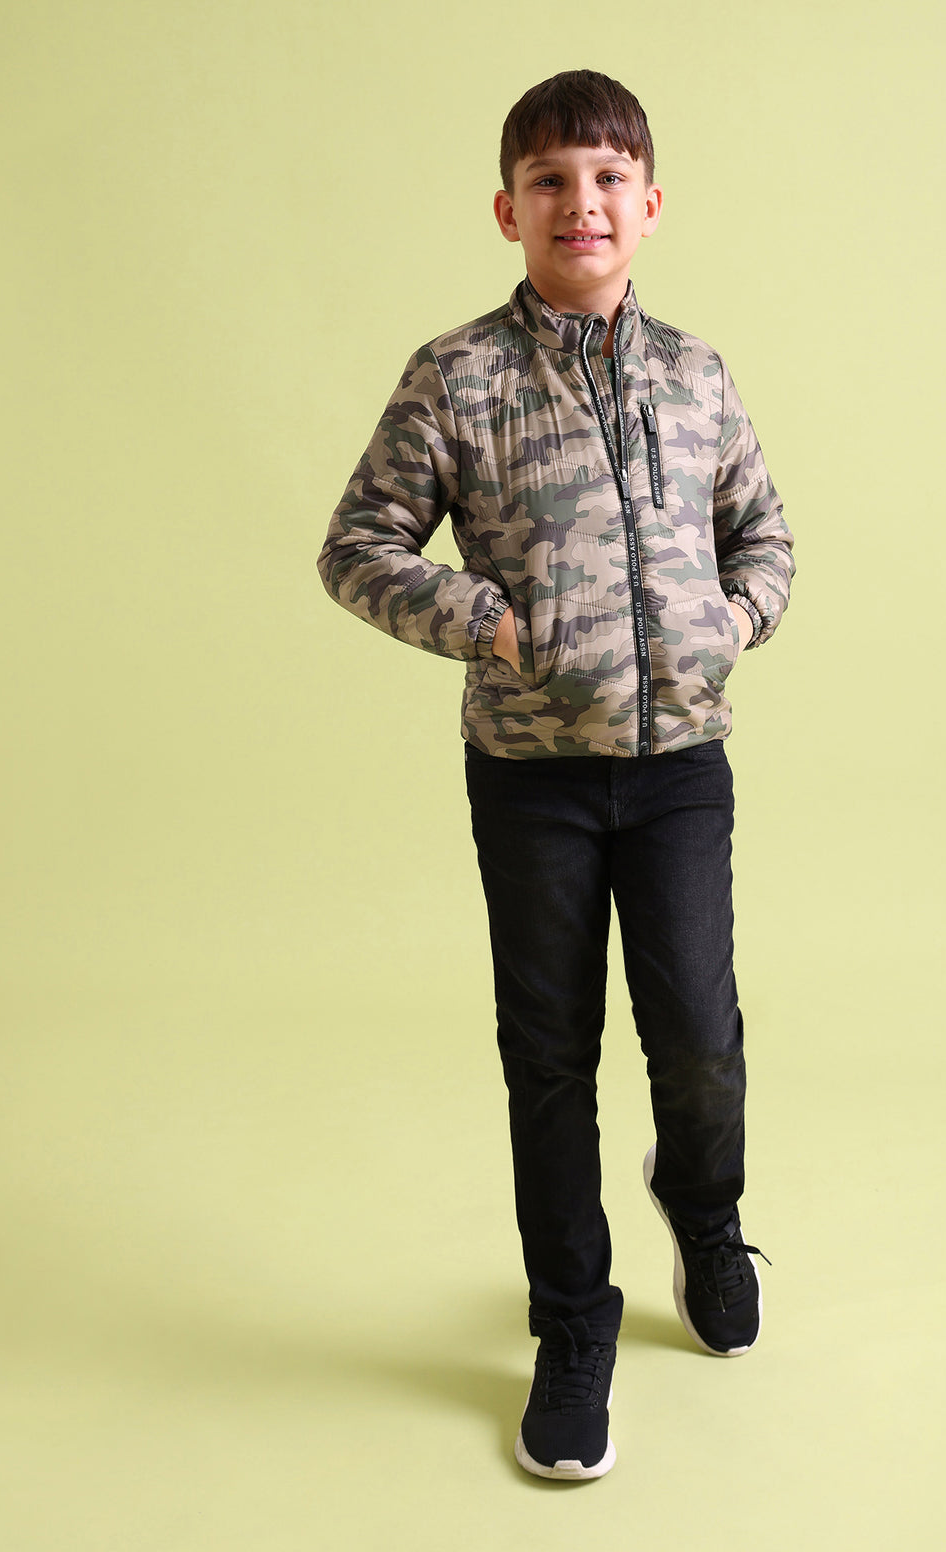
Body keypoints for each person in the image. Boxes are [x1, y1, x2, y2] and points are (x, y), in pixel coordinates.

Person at [316, 68, 795, 1481]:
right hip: (531, 778)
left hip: (681, 766)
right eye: (550, 182)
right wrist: (486, 619)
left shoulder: (697, 375)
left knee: (698, 1034)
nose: (580, 203)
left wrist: (736, 618)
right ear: (508, 211)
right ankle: (573, 1324)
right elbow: (356, 547)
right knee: (550, 1055)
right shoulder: (456, 377)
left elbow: (765, 535)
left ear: (649, 204)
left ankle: (705, 1215)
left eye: (606, 179)